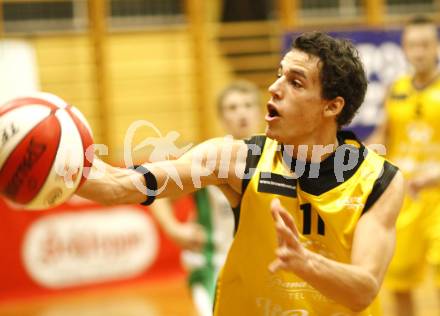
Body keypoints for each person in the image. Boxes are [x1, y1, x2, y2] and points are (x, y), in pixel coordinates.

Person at [77, 32, 404, 315]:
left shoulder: (378, 181)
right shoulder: (236, 158)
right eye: (279, 75)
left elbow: (364, 289)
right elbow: (120, 186)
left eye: (295, 82)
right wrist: (66, 168)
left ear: (331, 107)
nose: (274, 88)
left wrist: (305, 262)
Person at [150, 81, 262, 316]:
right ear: (222, 119)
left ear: (260, 113)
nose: (241, 113)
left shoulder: (279, 158)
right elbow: (157, 192)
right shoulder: (208, 160)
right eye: (232, 108)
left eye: (247, 105)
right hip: (215, 266)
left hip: (262, 269)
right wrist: (173, 229)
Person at [368, 16, 440, 316]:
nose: (419, 52)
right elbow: (383, 135)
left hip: (438, 200)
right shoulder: (395, 89)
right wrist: (364, 156)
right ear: (404, 49)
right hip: (403, 199)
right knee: (399, 284)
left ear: (436, 47)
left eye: (425, 44)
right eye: (413, 45)